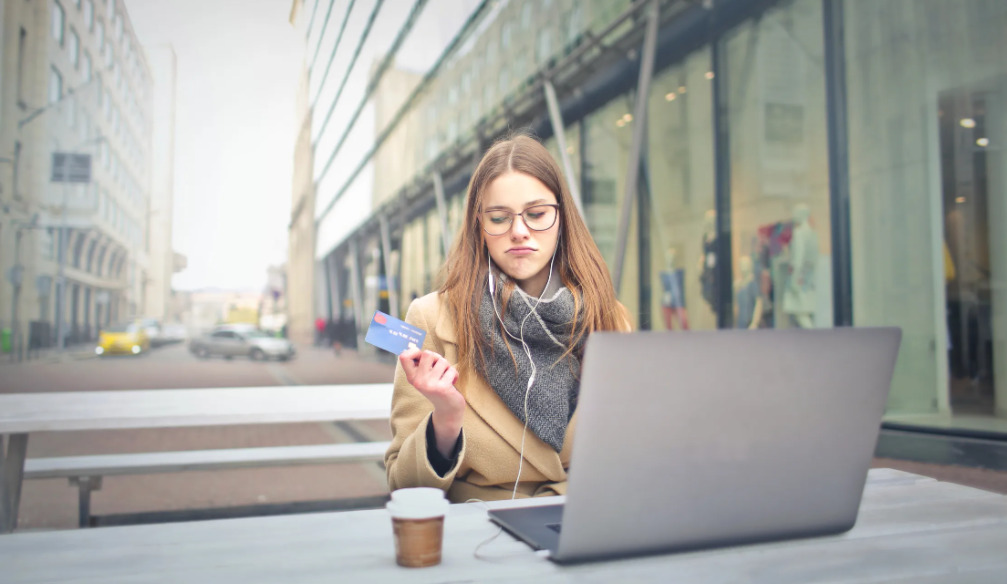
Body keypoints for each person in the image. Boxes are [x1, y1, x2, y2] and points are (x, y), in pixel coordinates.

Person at [385, 134, 631, 503]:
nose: (519, 231)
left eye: (536, 214)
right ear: (478, 227)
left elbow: (629, 447)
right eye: (499, 217)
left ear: (562, 218)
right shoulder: (429, 317)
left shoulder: (610, 318)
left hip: (587, 521)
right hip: (482, 535)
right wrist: (446, 421)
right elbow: (403, 484)